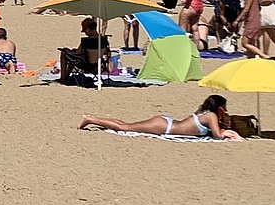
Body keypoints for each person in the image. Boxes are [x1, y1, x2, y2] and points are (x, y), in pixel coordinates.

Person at [78, 94, 242, 139]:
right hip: (165, 127)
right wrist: (227, 129)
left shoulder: (205, 113)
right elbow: (218, 136)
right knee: (124, 127)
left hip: (166, 123)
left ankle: (92, 118)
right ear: (219, 108)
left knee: (126, 125)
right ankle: (89, 119)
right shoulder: (211, 116)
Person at [58, 18, 111, 84]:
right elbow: (108, 53)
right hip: (99, 65)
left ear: (88, 29)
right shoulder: (103, 40)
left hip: (86, 65)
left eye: (85, 30)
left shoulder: (86, 41)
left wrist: (67, 50)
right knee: (72, 56)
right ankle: (65, 77)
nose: (85, 33)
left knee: (64, 53)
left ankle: (63, 78)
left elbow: (78, 53)